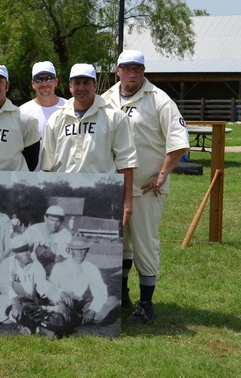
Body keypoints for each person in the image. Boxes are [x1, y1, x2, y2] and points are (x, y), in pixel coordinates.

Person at [102, 50, 189, 323]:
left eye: (137, 69)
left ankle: (146, 304)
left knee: (144, 244)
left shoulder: (160, 100)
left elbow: (179, 141)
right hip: (114, 185)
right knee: (120, 244)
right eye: (126, 68)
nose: (132, 73)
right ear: (117, 70)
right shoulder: (106, 99)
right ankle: (122, 295)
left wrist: (162, 174)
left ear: (143, 70)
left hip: (146, 188)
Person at [41, 63, 138, 227]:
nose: (81, 88)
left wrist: (127, 201)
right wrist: (47, 198)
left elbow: (126, 162)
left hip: (101, 194)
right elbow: (47, 167)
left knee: (101, 242)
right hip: (64, 194)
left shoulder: (114, 116)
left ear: (95, 85)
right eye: (77, 83)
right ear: (70, 86)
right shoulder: (56, 119)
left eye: (86, 83)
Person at [48, 236, 120, 337]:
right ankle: (67, 319)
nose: (80, 253)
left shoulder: (91, 268)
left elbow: (100, 291)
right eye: (77, 250)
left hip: (81, 305)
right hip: (62, 303)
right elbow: (50, 286)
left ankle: (82, 319)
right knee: (59, 316)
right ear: (71, 250)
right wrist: (61, 294)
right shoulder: (60, 266)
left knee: (113, 300)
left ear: (87, 250)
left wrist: (92, 310)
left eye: (83, 250)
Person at [0, 235, 60, 332]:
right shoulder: (7, 263)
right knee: (17, 312)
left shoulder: (35, 264)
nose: (25, 253)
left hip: (29, 303)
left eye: (27, 250)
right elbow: (5, 285)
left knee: (48, 313)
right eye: (21, 251)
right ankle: (35, 327)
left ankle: (40, 326)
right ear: (15, 253)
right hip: (10, 301)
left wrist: (58, 299)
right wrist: (15, 301)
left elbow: (43, 284)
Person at [19, 61, 67, 170]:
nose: (44, 83)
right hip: (31, 179)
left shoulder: (69, 108)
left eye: (49, 78)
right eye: (39, 79)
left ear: (56, 82)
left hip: (62, 178)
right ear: (32, 84)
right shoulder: (22, 112)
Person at [22, 205, 73, 274]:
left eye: (58, 221)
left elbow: (67, 258)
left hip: (55, 270)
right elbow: (20, 249)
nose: (54, 224)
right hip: (32, 268)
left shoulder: (66, 235)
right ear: (45, 218)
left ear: (62, 221)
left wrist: (51, 257)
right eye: (52, 220)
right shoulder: (33, 229)